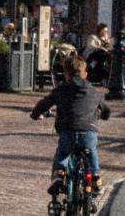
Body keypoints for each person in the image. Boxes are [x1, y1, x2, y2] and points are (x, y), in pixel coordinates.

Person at [30, 56, 111, 196]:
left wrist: (35, 114)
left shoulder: (60, 89)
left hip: (67, 131)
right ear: (85, 74)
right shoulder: (93, 91)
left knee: (62, 152)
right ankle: (96, 179)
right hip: (88, 131)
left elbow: (44, 104)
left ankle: (59, 177)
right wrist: (103, 116)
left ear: (66, 75)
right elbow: (107, 110)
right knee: (91, 152)